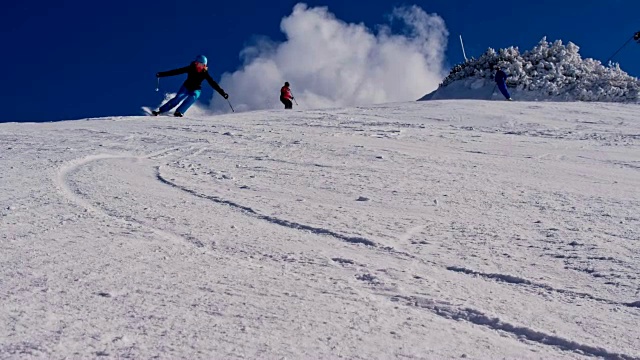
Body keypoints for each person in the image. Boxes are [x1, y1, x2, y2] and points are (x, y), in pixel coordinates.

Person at [153, 55, 229, 117]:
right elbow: (176, 71)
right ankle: (161, 111)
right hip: (186, 87)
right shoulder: (190, 68)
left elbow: (213, 83)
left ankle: (179, 112)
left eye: (204, 65)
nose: (202, 67)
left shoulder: (204, 73)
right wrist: (161, 74)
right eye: (201, 64)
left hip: (196, 89)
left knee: (193, 97)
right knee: (178, 98)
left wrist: (223, 93)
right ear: (196, 63)